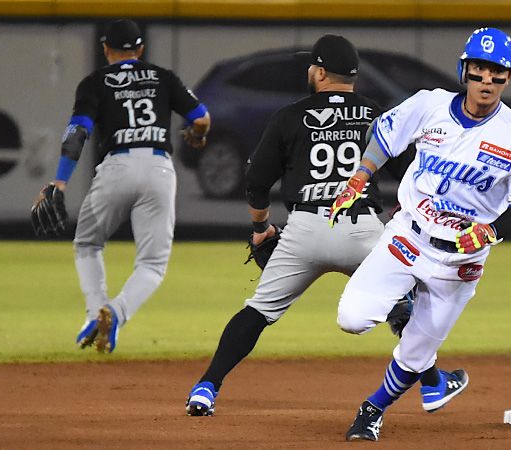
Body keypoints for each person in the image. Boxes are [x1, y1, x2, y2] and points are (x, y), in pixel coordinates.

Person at [184, 34, 448, 417]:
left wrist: (260, 229)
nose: (310, 70)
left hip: (305, 229)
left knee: (256, 313)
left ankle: (206, 387)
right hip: (362, 229)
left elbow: (257, 182)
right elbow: (410, 174)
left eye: (313, 65)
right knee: (402, 305)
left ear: (321, 72)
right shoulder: (376, 113)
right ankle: (433, 383)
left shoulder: (290, 115)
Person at [329, 27, 511, 441]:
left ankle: (372, 409)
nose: (487, 79)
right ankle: (415, 318)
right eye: (479, 69)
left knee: (415, 353)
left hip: (459, 261)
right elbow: (384, 135)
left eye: (497, 71)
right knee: (351, 319)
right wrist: (362, 175)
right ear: (464, 70)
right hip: (407, 236)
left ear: (509, 77)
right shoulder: (429, 105)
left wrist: (489, 232)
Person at [33, 19, 210, 353]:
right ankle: (115, 312)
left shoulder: (94, 82)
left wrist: (59, 181)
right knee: (153, 265)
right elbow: (201, 118)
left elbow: (77, 133)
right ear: (140, 50)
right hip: (159, 167)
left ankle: (94, 312)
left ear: (105, 49)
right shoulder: (163, 77)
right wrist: (197, 137)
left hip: (117, 165)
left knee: (87, 243)